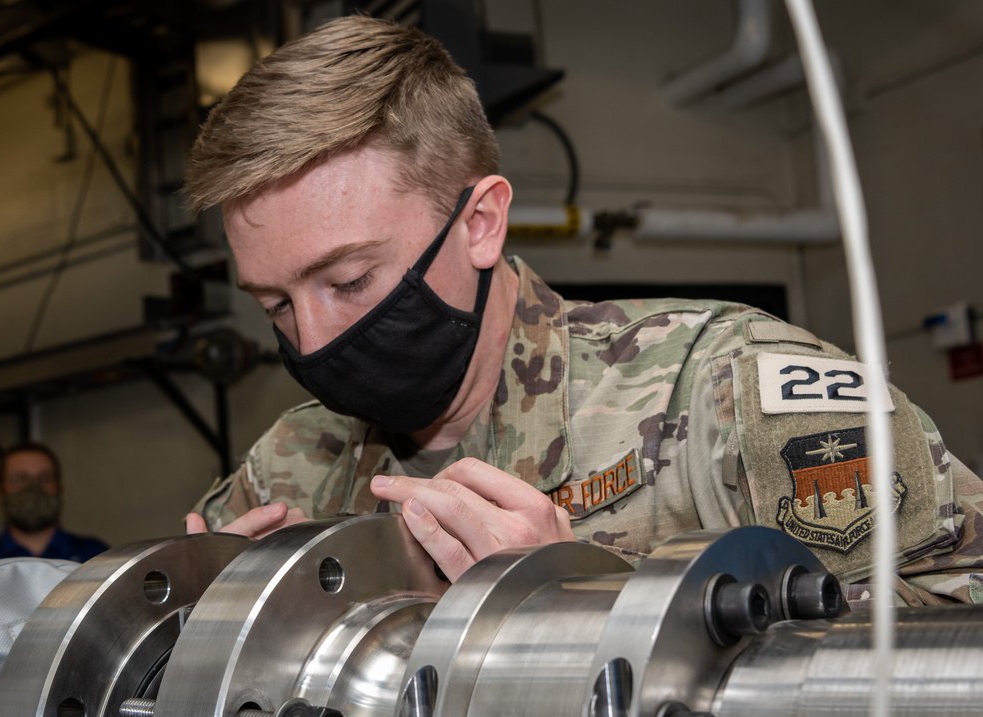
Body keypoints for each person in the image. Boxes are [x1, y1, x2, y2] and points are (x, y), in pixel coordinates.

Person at [182, 15, 983, 605]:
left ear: (479, 223)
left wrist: (587, 606)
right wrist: (208, 629)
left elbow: (957, 623)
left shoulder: (731, 392)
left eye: (350, 281)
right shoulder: (294, 463)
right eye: (275, 305)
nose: (315, 340)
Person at [0, 442, 108, 564]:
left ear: (59, 487)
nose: (33, 489)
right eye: (20, 479)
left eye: (44, 478)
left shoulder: (97, 558)